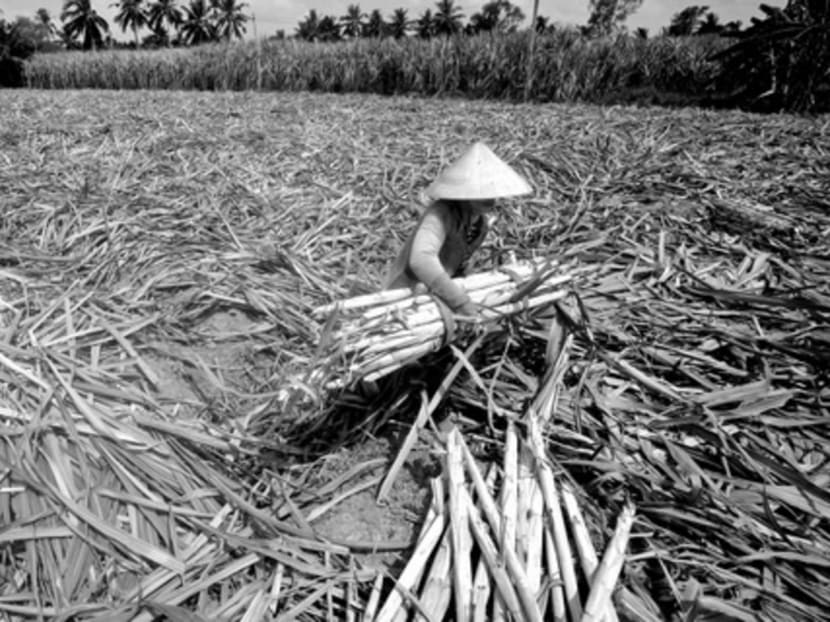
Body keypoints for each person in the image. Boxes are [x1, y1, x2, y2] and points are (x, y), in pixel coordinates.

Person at [383, 141, 532, 317]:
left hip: (438, 294)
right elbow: (421, 259)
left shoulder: (479, 225)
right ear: (466, 192)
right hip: (406, 296)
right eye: (482, 192)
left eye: (492, 192)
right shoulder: (441, 213)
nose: (490, 199)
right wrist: (460, 301)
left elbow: (459, 264)